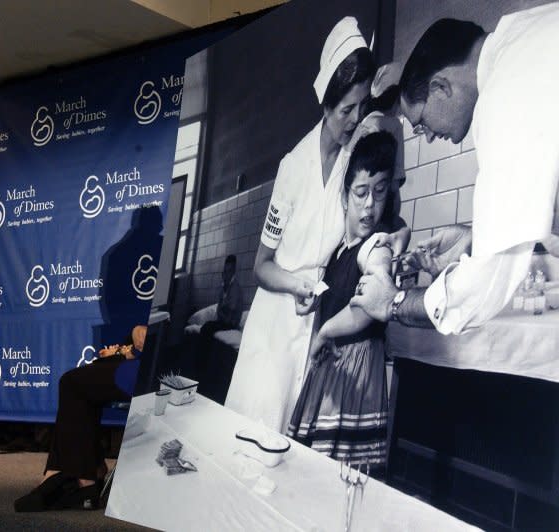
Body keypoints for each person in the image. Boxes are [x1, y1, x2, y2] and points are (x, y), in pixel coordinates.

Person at [350, 5, 559, 333]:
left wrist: (393, 301)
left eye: (420, 124)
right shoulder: (522, 36)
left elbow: (485, 286)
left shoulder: (504, 97)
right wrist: (476, 240)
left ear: (440, 88)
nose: (430, 137)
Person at [224, 16, 378, 432]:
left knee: (291, 439)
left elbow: (356, 229)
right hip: (276, 320)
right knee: (256, 430)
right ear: (326, 105)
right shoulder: (293, 167)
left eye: (362, 106)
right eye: (347, 109)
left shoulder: (351, 158)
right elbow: (262, 266)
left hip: (314, 319)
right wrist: (297, 284)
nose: (355, 118)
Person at [287, 131, 401, 473]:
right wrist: (313, 296)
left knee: (340, 480)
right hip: (331, 370)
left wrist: (324, 334)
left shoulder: (376, 246)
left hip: (356, 373)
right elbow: (339, 292)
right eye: (361, 193)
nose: (370, 205)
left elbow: (366, 307)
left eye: (379, 192)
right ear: (345, 197)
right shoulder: (339, 251)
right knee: (316, 473)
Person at [14, 325, 148, 512]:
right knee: (83, 378)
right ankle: (89, 474)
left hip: (154, 367)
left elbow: (147, 335)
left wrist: (136, 335)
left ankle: (78, 477)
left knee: (73, 383)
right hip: (145, 359)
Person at [192, 255, 243, 383]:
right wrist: (223, 308)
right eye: (224, 271)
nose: (225, 274)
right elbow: (220, 309)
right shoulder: (224, 288)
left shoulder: (234, 287)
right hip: (224, 321)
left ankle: (200, 366)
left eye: (229, 271)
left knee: (208, 327)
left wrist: (223, 308)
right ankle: (200, 363)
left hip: (230, 323)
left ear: (233, 272)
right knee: (207, 326)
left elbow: (230, 309)